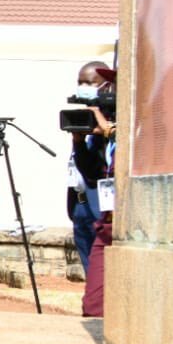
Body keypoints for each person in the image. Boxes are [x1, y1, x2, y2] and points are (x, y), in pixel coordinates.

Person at [82, 65, 119, 317]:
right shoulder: (106, 130)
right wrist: (79, 140)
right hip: (107, 221)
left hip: (129, 223)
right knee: (93, 306)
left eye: (112, 84)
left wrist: (110, 130)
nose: (108, 90)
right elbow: (93, 175)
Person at [68, 60, 111, 274]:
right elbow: (85, 167)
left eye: (89, 83)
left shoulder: (111, 118)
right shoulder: (83, 115)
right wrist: (77, 140)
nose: (83, 87)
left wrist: (100, 123)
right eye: (80, 82)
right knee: (88, 260)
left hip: (101, 200)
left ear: (105, 86)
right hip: (81, 197)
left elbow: (100, 166)